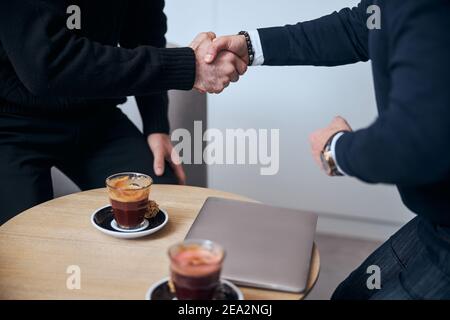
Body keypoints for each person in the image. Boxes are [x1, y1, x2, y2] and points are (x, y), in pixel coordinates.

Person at [204, 0, 450, 299]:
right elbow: (362, 25)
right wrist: (250, 44)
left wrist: (336, 150)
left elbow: (415, 143)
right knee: (350, 294)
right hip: (436, 217)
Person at [0, 0, 247, 224]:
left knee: (169, 213)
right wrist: (188, 66)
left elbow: (145, 30)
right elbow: (47, 66)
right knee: (22, 239)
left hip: (97, 118)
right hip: (11, 126)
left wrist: (156, 125)